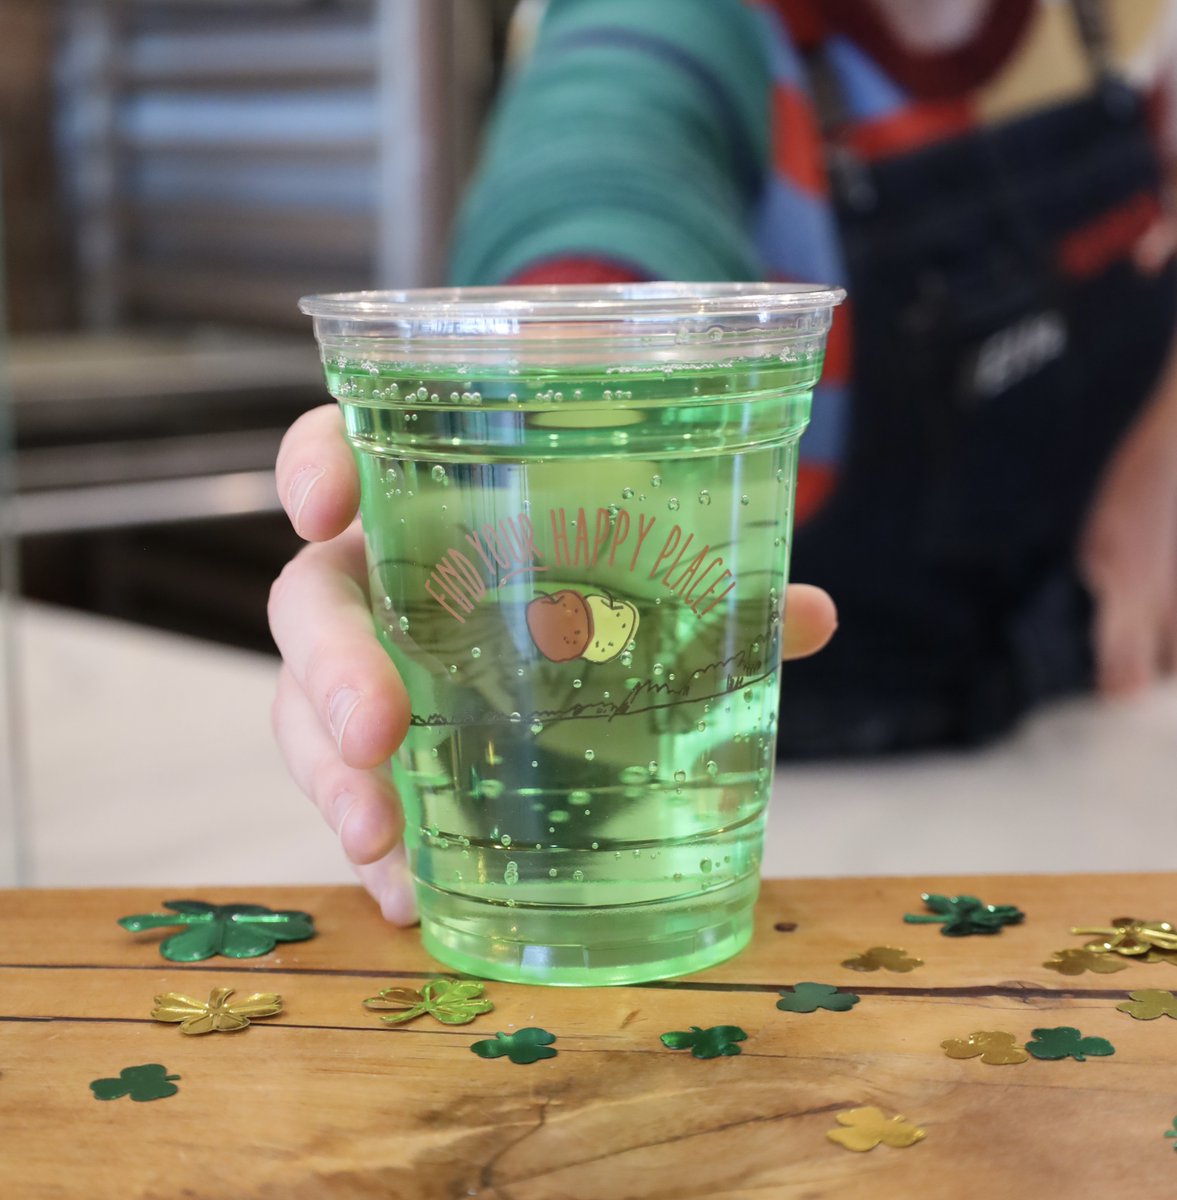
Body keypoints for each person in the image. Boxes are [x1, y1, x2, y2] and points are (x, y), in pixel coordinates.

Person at [270, 0, 1177, 917]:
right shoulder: (673, 22)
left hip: (1108, 750)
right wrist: (482, 483)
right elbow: (596, 184)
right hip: (711, 817)